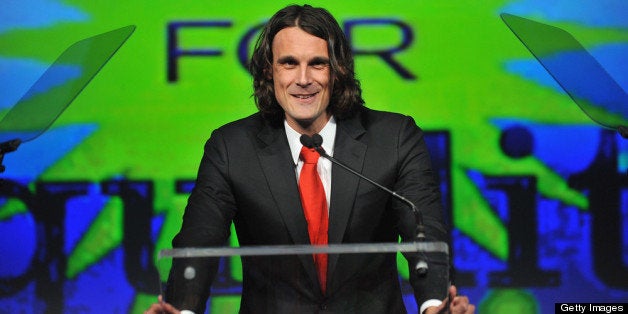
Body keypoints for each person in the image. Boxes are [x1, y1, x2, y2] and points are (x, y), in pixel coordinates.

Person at [147, 4, 474, 314]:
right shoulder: (231, 147)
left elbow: (425, 234)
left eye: (317, 63)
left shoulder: (394, 137)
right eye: (289, 63)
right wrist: (182, 309)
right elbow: (198, 243)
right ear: (268, 70)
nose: (303, 79)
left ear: (338, 69)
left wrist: (435, 306)